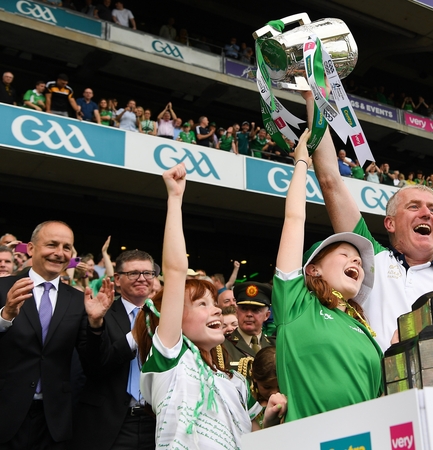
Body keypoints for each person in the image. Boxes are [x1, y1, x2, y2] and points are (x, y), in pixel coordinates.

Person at [134, 164, 285, 448]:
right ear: (173, 317)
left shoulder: (237, 383)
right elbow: (176, 271)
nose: (217, 310)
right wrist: (175, 199)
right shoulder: (171, 362)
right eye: (202, 304)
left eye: (215, 303)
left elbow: (257, 435)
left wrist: (273, 417)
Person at [306, 92, 433, 351]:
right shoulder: (370, 259)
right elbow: (331, 181)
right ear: (390, 224)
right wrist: (314, 98)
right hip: (379, 388)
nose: (427, 214)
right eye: (414, 207)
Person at [273, 128, 382, 421]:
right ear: (313, 269)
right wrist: (301, 165)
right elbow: (295, 219)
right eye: (345, 255)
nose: (356, 263)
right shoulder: (295, 305)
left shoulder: (367, 332)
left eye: (359, 261)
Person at [0, 221, 114, 448]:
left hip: (54, 419)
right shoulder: (3, 288)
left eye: (66, 247)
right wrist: (6, 315)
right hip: (6, 412)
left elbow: (92, 363)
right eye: (52, 245)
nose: (59, 253)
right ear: (31, 249)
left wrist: (95, 323)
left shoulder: (77, 299)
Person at [72, 249, 157, 450]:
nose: (142, 278)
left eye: (148, 273)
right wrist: (135, 335)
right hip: (111, 424)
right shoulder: (98, 313)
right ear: (117, 279)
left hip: (156, 423)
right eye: (134, 273)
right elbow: (95, 366)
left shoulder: (163, 318)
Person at [222, 283, 273, 369]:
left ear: (267, 316)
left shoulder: (275, 346)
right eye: (244, 309)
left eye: (255, 310)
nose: (249, 314)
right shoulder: (222, 346)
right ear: (237, 312)